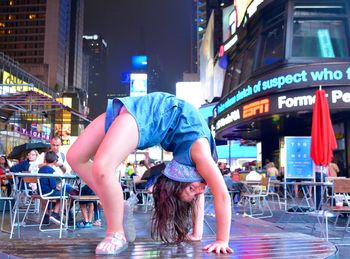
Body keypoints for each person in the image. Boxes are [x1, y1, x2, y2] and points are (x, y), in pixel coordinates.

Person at [67, 92, 232, 255]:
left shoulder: (196, 176)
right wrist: (222, 240)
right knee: (76, 158)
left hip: (144, 112)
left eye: (193, 193)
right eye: (192, 190)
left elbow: (197, 194)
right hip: (150, 111)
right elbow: (222, 195)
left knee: (100, 167)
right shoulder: (200, 153)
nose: (200, 191)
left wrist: (197, 234)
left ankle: (116, 232)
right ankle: (117, 212)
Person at [38, 151, 62, 225]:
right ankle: (55, 214)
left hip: (40, 192)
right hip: (48, 192)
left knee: (44, 199)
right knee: (64, 195)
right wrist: (57, 187)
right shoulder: (52, 171)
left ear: (45, 160)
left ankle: (46, 216)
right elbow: (52, 185)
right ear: (55, 161)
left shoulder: (40, 169)